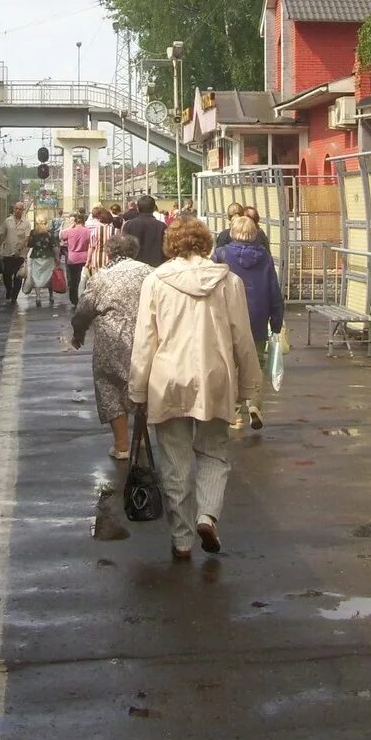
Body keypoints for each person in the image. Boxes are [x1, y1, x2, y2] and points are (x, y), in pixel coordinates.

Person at [129, 218, 263, 560]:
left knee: (175, 461)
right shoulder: (228, 281)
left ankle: (182, 539)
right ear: (205, 243)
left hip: (167, 379)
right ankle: (207, 515)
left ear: (170, 245)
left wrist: (138, 390)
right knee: (214, 452)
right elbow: (242, 338)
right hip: (214, 377)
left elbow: (146, 339)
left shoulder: (155, 281)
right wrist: (250, 385)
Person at [71, 234, 153, 460]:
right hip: (147, 339)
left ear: (110, 252)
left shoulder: (101, 277)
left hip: (112, 340)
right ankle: (140, 439)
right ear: (135, 252)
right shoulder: (150, 273)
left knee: (110, 389)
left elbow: (84, 309)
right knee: (144, 388)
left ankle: (122, 445)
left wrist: (79, 333)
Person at [212, 215, 283, 431]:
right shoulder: (265, 257)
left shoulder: (221, 254)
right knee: (257, 362)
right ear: (255, 233)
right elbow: (274, 290)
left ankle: (235, 413)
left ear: (232, 232)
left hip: (228, 314)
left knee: (231, 363)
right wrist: (277, 320)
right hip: (259, 314)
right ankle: (254, 404)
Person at [0, 200, 32, 305]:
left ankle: (14, 297)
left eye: (20, 209)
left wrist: (20, 251)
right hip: (7, 252)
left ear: (23, 211)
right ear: (13, 209)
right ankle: (9, 290)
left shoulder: (26, 223)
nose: (18, 211)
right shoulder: (7, 221)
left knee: (18, 276)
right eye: (16, 209)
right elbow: (2, 234)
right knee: (6, 274)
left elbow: (27, 238)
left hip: (20, 254)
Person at [121, 195, 168, 268]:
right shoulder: (162, 226)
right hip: (156, 267)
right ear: (153, 208)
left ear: (138, 208)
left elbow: (124, 247)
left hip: (134, 267)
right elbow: (166, 248)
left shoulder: (129, 225)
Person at [23, 219, 60, 308]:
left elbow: (29, 245)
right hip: (49, 257)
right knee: (49, 277)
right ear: (46, 223)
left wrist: (24, 255)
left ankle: (38, 298)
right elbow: (55, 246)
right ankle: (51, 296)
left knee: (37, 277)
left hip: (36, 257)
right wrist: (57, 257)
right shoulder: (51, 233)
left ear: (36, 223)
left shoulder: (33, 233)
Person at [60, 211, 91, 304]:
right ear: (84, 221)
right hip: (84, 258)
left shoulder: (70, 231)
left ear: (75, 222)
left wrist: (70, 226)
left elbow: (61, 236)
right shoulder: (88, 231)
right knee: (82, 280)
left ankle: (73, 299)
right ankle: (82, 298)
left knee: (72, 280)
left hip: (72, 258)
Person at [86, 206, 112, 275]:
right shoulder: (115, 231)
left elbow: (91, 247)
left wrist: (88, 262)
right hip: (110, 260)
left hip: (96, 260)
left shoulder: (94, 231)